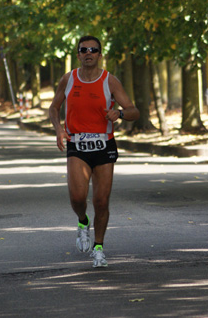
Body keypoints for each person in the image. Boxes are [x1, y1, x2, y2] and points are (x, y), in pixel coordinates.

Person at [49, 35, 140, 268]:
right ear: (78, 54)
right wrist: (59, 129)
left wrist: (119, 113)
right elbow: (54, 107)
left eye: (93, 50)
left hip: (104, 144)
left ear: (100, 54)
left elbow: (133, 110)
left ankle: (98, 247)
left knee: (101, 200)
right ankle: (82, 221)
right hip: (77, 144)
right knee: (78, 198)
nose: (88, 53)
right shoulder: (68, 79)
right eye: (83, 50)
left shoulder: (110, 81)